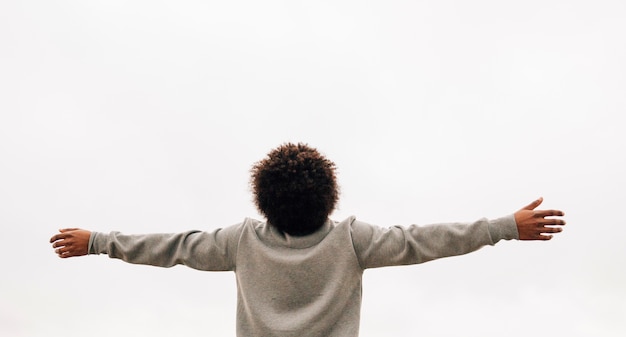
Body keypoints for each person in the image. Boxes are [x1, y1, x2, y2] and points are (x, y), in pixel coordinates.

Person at [50, 143, 565, 337]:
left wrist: (98, 241)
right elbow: (426, 241)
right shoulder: (354, 240)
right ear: (330, 199)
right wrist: (503, 227)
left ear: (263, 202)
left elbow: (172, 247)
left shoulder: (240, 242)